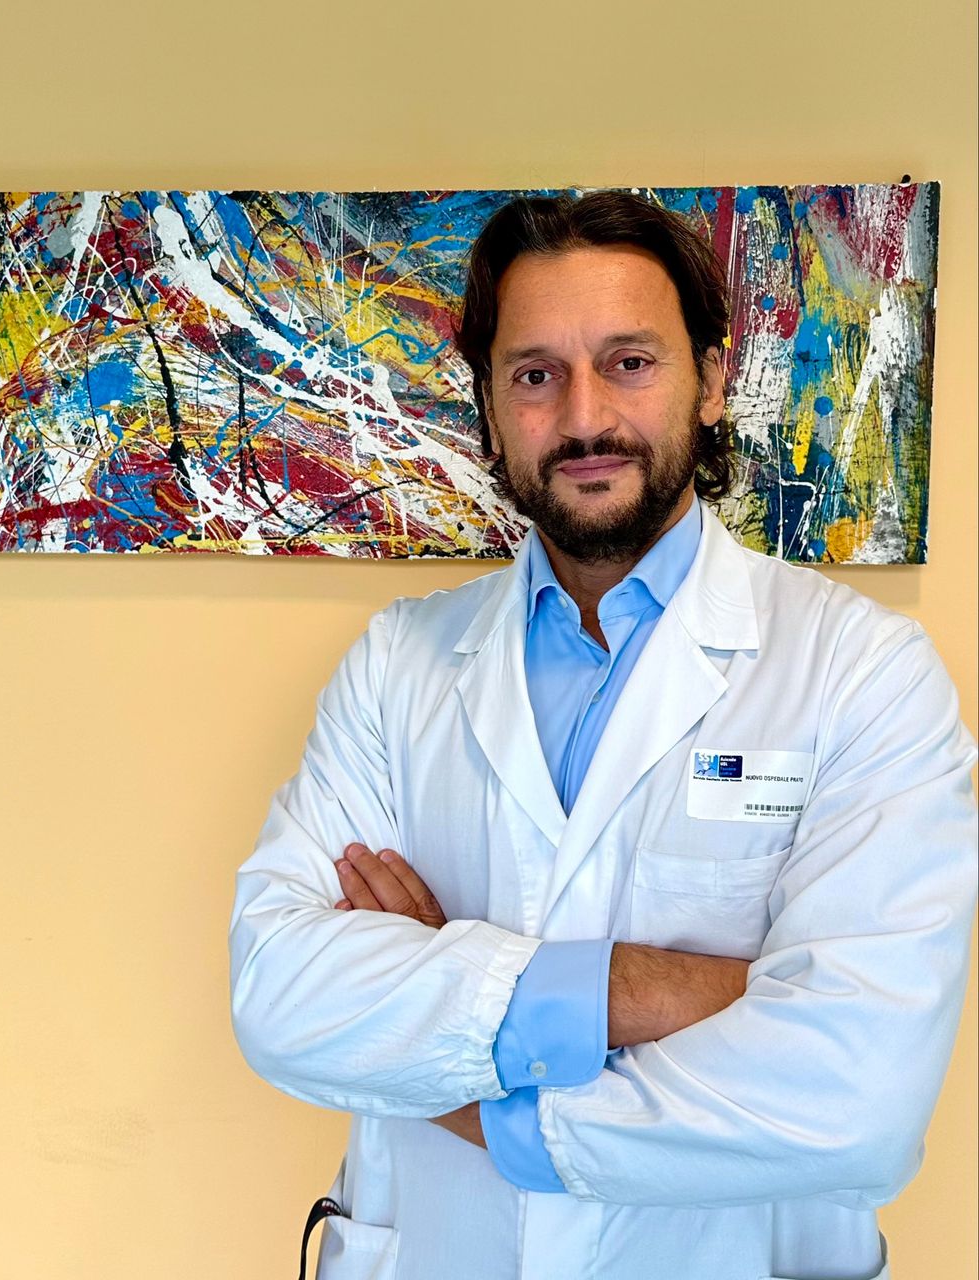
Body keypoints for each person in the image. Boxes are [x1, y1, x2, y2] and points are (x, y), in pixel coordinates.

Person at [228, 191, 977, 1280]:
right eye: (534, 374)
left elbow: (854, 1098)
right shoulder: (397, 665)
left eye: (628, 362)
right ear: (491, 408)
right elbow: (281, 996)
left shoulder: (861, 673)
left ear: (710, 381)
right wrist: (671, 988)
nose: (583, 417)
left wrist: (442, 1025)